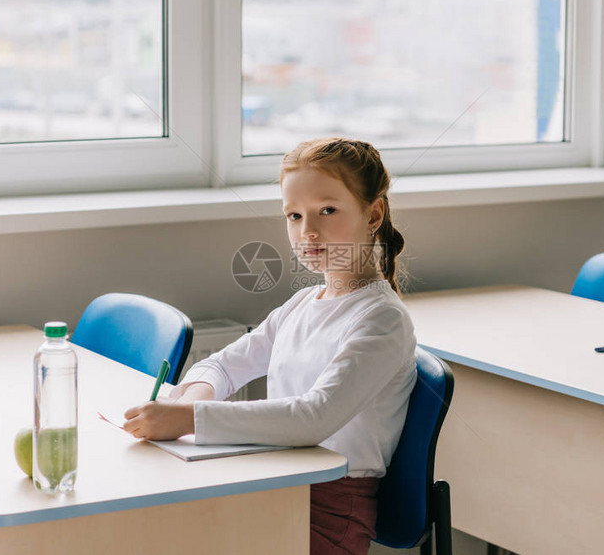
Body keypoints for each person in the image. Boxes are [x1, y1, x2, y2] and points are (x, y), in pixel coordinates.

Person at [124, 137, 417, 555]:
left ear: (373, 214)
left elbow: (313, 418)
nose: (307, 231)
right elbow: (224, 366)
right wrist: (188, 400)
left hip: (330, 509)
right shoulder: (303, 301)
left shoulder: (382, 320)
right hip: (280, 481)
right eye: (294, 215)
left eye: (327, 211)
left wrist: (189, 418)